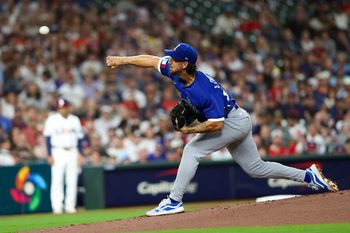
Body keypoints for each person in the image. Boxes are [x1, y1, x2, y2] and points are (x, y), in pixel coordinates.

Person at [105, 43, 339, 217]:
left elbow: (216, 125)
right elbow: (150, 60)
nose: (169, 61)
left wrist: (190, 131)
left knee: (192, 151)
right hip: (237, 118)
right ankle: (309, 176)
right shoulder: (176, 71)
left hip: (231, 122)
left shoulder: (204, 90)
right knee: (256, 168)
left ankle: (174, 200)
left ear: (185, 64)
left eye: (174, 59)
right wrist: (122, 59)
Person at [43, 98, 84, 214]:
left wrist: (80, 153)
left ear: (68, 107)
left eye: (64, 107)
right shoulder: (52, 119)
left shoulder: (75, 119)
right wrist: (50, 154)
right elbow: (47, 138)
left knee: (72, 180)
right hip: (58, 151)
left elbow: (80, 139)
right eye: (60, 107)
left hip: (73, 150)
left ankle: (70, 206)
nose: (63, 109)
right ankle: (57, 207)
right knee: (57, 180)